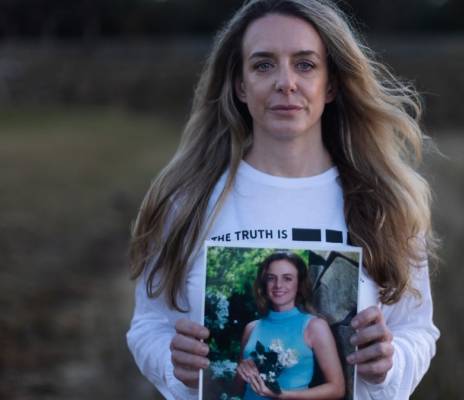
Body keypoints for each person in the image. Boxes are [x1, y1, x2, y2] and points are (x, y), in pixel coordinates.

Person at [126, 0, 440, 399]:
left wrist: (391, 363)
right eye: (263, 65)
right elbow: (148, 325)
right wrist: (175, 364)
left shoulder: (385, 205)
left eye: (305, 65)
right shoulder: (186, 202)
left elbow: (417, 329)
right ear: (240, 85)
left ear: (331, 84)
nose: (285, 82)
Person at [235, 252, 344, 399]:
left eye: (287, 278)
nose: (278, 285)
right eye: (271, 278)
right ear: (264, 283)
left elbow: (337, 389)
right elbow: (238, 389)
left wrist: (281, 395)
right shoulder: (251, 328)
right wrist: (242, 370)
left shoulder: (314, 326)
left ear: (299, 284)